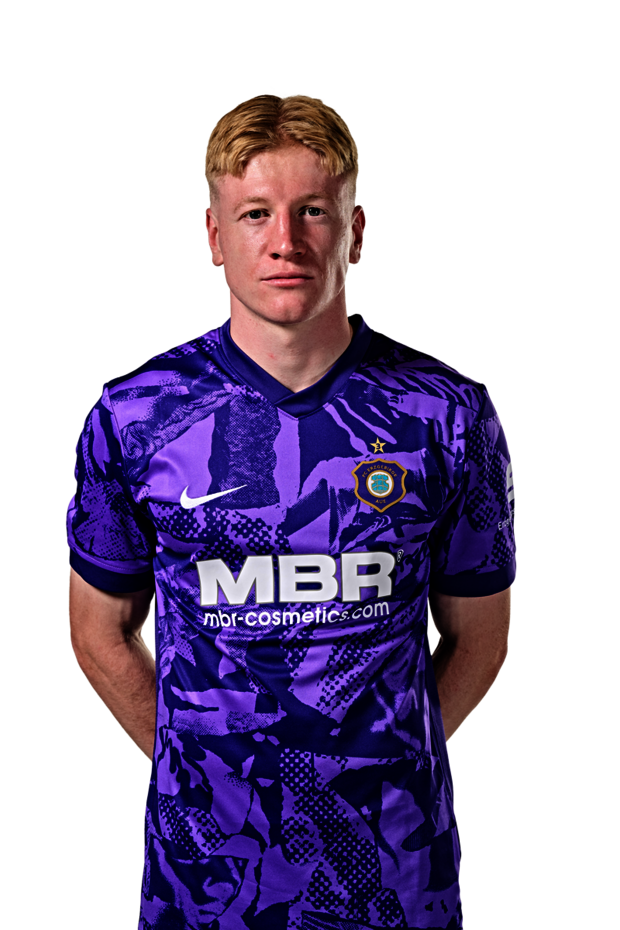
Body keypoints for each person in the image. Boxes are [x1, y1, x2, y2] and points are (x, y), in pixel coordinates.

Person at [66, 91, 517, 930]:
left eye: (313, 210)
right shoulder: (136, 416)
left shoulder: (447, 415)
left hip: (396, 877)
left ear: (356, 231)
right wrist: (199, 766)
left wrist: (385, 761)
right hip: (207, 878)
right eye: (256, 214)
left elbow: (481, 638)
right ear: (213, 235)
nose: (285, 241)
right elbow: (98, 631)